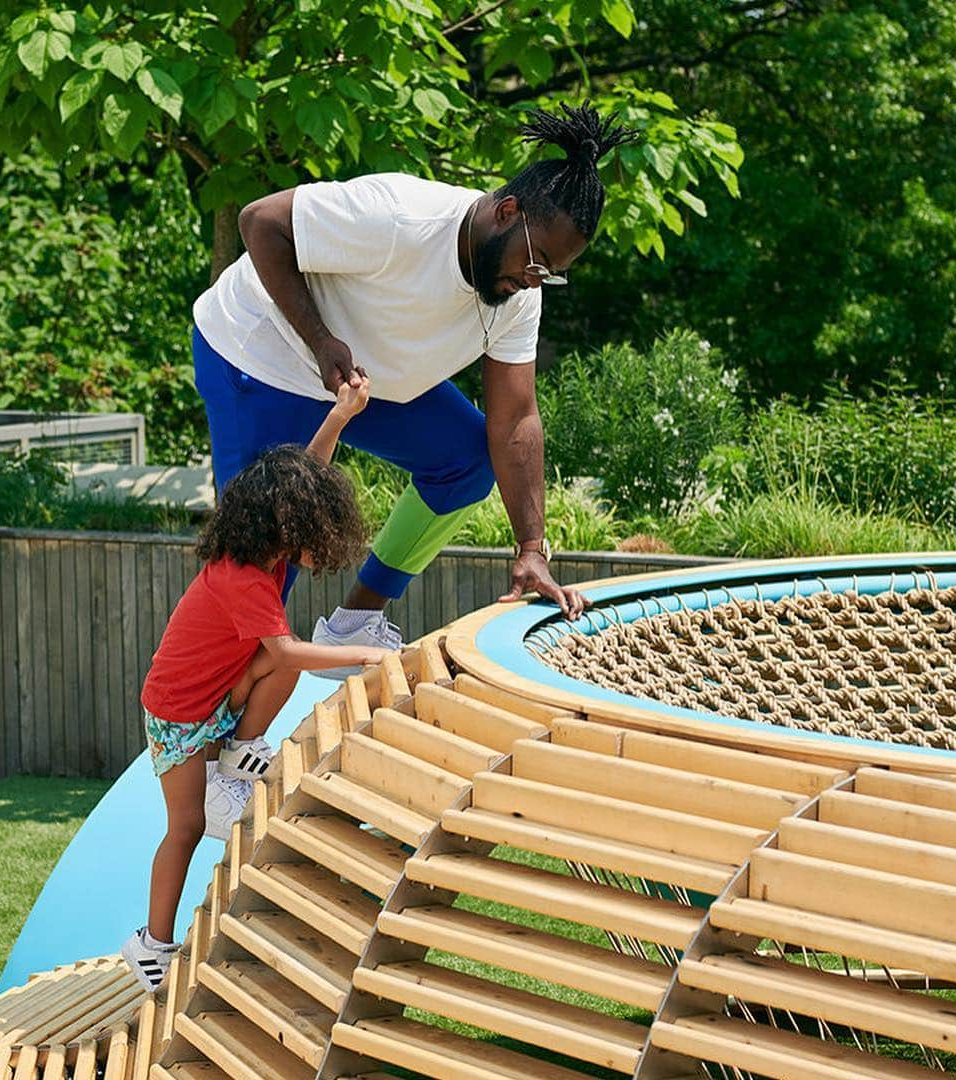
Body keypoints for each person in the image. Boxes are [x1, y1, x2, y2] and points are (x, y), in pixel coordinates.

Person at [192, 102, 637, 663]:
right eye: (536, 260)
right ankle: (209, 729)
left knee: (465, 461)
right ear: (506, 211)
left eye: (550, 272)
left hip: (359, 376)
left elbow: (516, 418)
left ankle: (356, 620)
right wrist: (321, 338)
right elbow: (260, 221)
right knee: (260, 558)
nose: (534, 280)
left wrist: (531, 548)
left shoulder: (519, 297)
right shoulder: (400, 217)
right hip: (261, 357)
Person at [121, 381, 390, 993]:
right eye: (311, 522)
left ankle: (242, 747)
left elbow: (309, 471)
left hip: (219, 697)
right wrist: (365, 652)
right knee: (186, 827)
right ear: (287, 523)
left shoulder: (266, 549)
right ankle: (151, 944)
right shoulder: (242, 576)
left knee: (285, 666)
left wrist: (341, 416)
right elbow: (288, 650)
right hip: (179, 715)